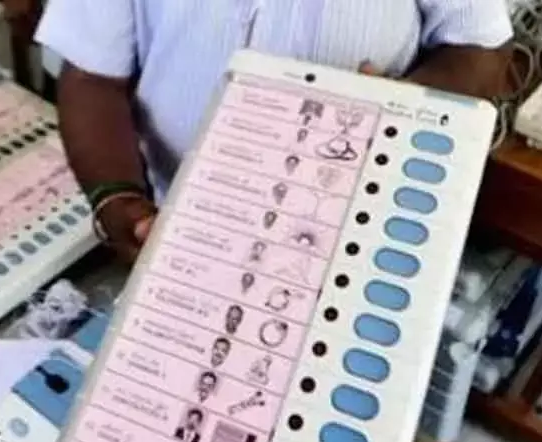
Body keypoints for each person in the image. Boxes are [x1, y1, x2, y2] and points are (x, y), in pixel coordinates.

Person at [34, 0, 512, 254]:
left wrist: (396, 107)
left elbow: (479, 52)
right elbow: (92, 75)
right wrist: (118, 201)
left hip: (352, 222)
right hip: (180, 222)